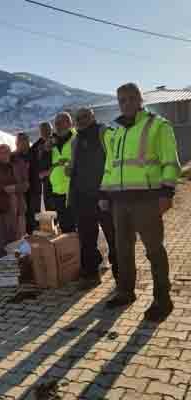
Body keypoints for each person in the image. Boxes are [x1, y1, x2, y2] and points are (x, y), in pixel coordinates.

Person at [101, 82, 180, 322]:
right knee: (122, 249)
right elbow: (109, 167)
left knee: (154, 249)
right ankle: (125, 292)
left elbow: (170, 162)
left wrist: (167, 193)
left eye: (129, 98)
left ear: (139, 99)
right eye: (121, 100)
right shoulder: (113, 132)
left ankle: (162, 299)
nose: (125, 104)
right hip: (119, 202)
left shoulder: (158, 126)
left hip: (147, 199)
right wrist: (104, 195)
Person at [68, 107, 118, 290]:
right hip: (83, 198)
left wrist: (106, 193)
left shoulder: (104, 133)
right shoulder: (76, 140)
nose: (81, 120)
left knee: (114, 238)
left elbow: (113, 163)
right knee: (87, 240)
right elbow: (75, 166)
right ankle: (90, 275)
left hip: (104, 196)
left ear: (93, 116)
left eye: (85, 116)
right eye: (78, 118)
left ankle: (122, 281)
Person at [0, 144, 28, 256]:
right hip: (0, 210)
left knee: (18, 240)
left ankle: (21, 267)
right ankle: (7, 268)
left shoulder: (17, 168)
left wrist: (15, 188)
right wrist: (3, 189)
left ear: (10, 153)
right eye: (1, 153)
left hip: (17, 209)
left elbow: (26, 185)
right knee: (2, 240)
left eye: (6, 152)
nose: (4, 155)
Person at [49, 112, 77, 233]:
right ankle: (69, 250)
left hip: (73, 188)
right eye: (56, 124)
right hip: (57, 189)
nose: (58, 126)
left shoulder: (77, 138)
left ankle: (80, 250)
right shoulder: (52, 142)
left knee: (77, 224)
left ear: (69, 123)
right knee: (65, 225)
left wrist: (68, 162)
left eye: (60, 123)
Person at [27, 122, 54, 232]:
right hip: (43, 184)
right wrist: (39, 174)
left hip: (59, 182)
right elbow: (33, 164)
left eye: (48, 130)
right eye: (43, 130)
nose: (46, 132)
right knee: (46, 209)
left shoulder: (58, 141)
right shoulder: (36, 146)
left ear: (52, 130)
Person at [11, 132, 32, 233]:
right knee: (21, 221)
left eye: (25, 140)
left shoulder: (33, 154)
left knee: (32, 218)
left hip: (34, 191)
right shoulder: (11, 157)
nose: (23, 143)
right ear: (16, 143)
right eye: (20, 141)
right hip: (19, 193)